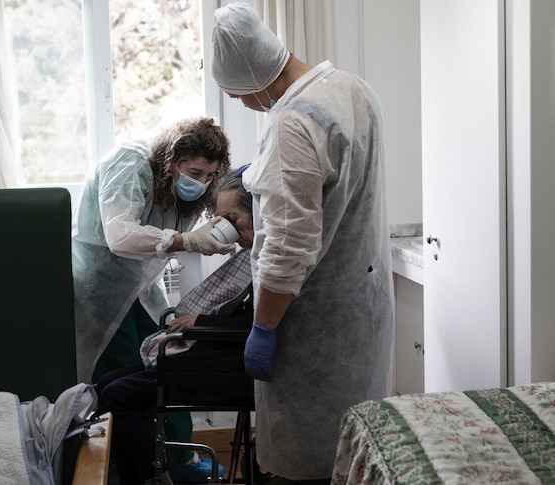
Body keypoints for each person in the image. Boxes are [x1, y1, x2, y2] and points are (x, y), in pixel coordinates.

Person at [210, 3, 395, 483]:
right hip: (362, 311)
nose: (246, 105)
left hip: (314, 331)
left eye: (238, 95)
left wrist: (264, 327)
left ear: (253, 76)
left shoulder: (291, 123)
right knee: (361, 452)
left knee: (311, 460)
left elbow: (288, 247)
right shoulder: (354, 90)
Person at [94, 175, 255, 485]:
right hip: (210, 355)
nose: (230, 230)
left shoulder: (271, 260)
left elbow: (255, 325)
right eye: (222, 221)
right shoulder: (253, 255)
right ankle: (144, 476)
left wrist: (200, 322)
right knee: (105, 385)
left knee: (118, 395)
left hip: (225, 367)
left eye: (233, 219)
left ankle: (154, 477)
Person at [72, 116, 235, 385]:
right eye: (195, 173)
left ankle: (162, 427)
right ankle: (125, 428)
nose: (202, 183)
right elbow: (120, 236)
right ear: (170, 160)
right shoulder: (129, 163)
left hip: (141, 285)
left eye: (210, 175)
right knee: (121, 371)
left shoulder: (193, 188)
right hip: (100, 285)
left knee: (163, 354)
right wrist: (188, 241)